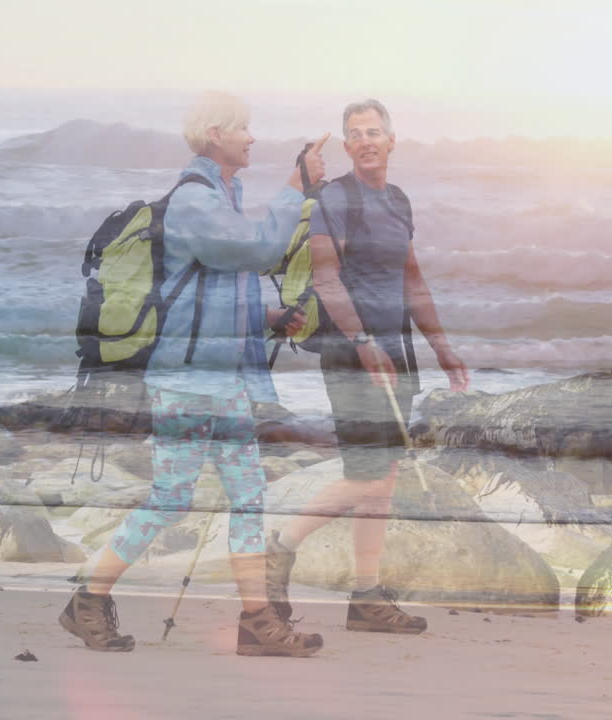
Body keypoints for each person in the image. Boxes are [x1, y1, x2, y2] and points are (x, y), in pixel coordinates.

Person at [59, 91, 328, 656]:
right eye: (244, 129)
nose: (252, 138)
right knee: (171, 499)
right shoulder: (194, 202)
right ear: (215, 135)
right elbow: (257, 250)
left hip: (221, 382)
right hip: (184, 383)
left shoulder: (221, 196)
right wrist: (295, 187)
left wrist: (270, 316)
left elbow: (218, 291)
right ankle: (87, 599)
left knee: (248, 496)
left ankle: (258, 622)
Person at [266, 99, 469, 635]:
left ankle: (365, 597)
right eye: (355, 134)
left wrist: (442, 348)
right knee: (368, 476)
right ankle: (280, 547)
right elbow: (328, 280)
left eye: (374, 131)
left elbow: (413, 281)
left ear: (392, 139)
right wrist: (362, 343)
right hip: (349, 354)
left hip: (395, 354)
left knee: (383, 478)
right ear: (348, 146)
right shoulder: (335, 198)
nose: (366, 140)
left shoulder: (399, 202)